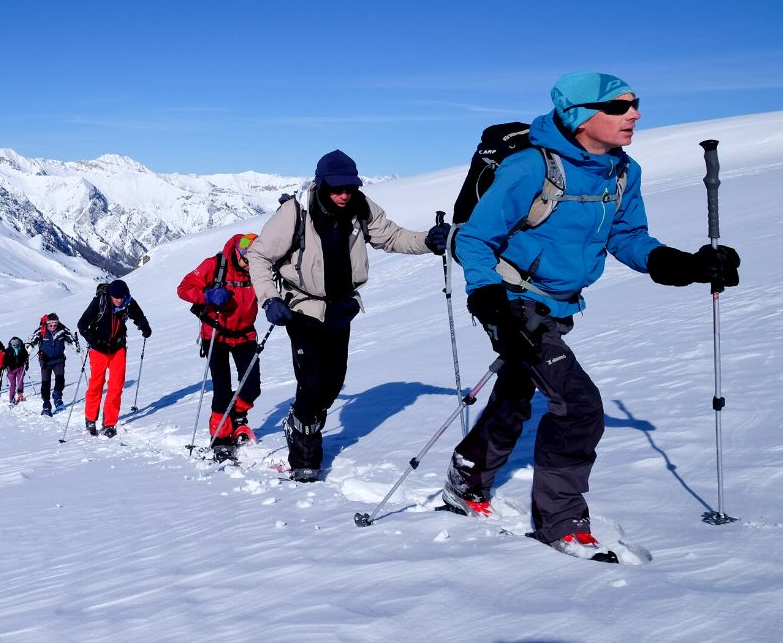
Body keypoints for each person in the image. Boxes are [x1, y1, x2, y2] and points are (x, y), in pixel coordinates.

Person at [445, 71, 741, 559]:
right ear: (581, 115)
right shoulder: (528, 169)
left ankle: (467, 475)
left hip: (559, 303)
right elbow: (475, 239)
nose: (636, 114)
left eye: (635, 104)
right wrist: (488, 298)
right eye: (620, 107)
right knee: (579, 405)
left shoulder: (624, 171)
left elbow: (626, 236)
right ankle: (560, 520)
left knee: (518, 392)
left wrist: (681, 264)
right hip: (512, 299)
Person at [248, 150, 449, 482]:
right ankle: (304, 456)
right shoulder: (295, 212)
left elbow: (394, 237)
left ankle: (302, 419)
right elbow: (259, 255)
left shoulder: (361, 207)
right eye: (337, 189)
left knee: (332, 384)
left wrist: (428, 240)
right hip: (301, 307)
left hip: (341, 307)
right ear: (322, 184)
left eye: (350, 188)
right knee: (312, 384)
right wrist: (269, 299)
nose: (344, 195)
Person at [177, 232, 262, 462]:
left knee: (252, 386)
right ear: (237, 251)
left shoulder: (260, 268)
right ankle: (221, 439)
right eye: (245, 257)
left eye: (253, 258)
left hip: (245, 334)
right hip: (216, 333)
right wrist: (207, 294)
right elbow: (183, 288)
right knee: (222, 389)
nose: (248, 262)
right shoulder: (215, 265)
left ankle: (236, 418)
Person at [77, 279, 152, 437]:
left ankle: (109, 423)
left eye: (122, 297)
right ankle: (90, 419)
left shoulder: (128, 301)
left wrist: (144, 326)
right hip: (99, 349)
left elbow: (138, 315)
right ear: (110, 295)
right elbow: (82, 324)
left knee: (116, 385)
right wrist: (92, 339)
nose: (119, 300)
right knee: (96, 384)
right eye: (116, 297)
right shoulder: (100, 301)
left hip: (118, 347)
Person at [28, 312, 81, 416]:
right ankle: (46, 404)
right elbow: (33, 339)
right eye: (50, 325)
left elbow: (71, 338)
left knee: (60, 380)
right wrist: (29, 347)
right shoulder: (41, 330)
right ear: (47, 324)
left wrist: (76, 346)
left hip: (59, 360)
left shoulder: (62, 330)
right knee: (46, 383)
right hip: (45, 361)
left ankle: (57, 397)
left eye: (55, 325)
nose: (53, 327)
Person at [3, 336, 30, 405]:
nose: (15, 346)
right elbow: (5, 359)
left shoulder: (22, 349)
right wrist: (5, 365)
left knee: (20, 381)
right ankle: (11, 398)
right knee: (13, 384)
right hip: (11, 369)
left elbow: (26, 358)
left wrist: (26, 365)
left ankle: (20, 394)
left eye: (17, 345)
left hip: (20, 367)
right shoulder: (8, 350)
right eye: (14, 345)